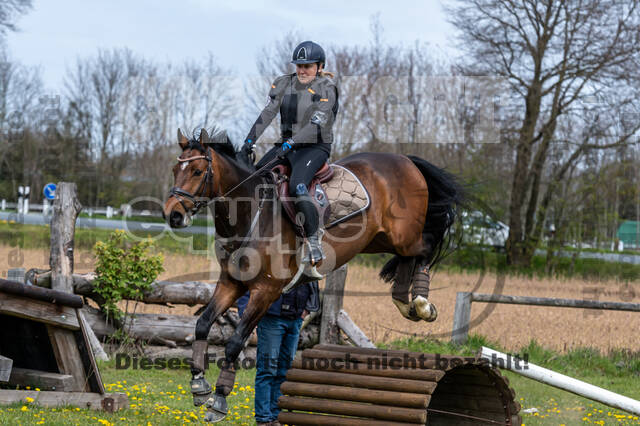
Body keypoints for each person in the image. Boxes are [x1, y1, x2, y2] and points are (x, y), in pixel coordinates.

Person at [241, 40, 339, 266]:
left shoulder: (327, 88)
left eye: (308, 66)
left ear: (320, 66)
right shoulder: (283, 84)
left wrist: (292, 142)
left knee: (298, 186)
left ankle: (314, 243)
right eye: (299, 66)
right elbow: (268, 113)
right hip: (286, 146)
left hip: (314, 147)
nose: (302, 70)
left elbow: (317, 125)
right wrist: (249, 141)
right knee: (254, 179)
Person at [237, 281, 320, 426]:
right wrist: (247, 312)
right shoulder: (270, 258)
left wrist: (307, 308)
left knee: (284, 370)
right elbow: (248, 283)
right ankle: (264, 419)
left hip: (295, 319)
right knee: (267, 369)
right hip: (272, 318)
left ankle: (276, 416)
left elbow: (312, 278)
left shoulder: (303, 258)